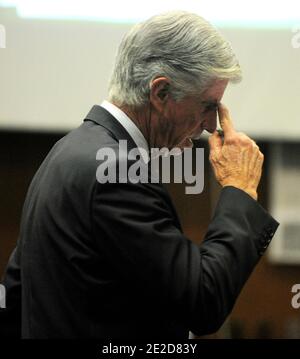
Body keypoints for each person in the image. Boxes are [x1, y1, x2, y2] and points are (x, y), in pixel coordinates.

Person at [0, 11, 278, 339]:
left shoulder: (67, 151)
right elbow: (203, 301)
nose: (210, 126)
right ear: (160, 93)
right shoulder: (116, 173)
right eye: (207, 106)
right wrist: (240, 189)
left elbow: (17, 291)